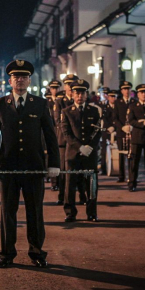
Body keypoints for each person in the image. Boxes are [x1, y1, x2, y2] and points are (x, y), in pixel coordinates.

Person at [0, 59, 59, 269]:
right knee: (8, 212)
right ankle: (6, 253)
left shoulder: (40, 104)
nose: (20, 80)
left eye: (24, 77)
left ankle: (37, 252)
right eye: (16, 77)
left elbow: (50, 136)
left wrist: (53, 163)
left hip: (34, 166)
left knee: (35, 211)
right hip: (8, 166)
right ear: (10, 80)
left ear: (29, 80)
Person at [61, 79, 101, 222]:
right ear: (72, 94)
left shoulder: (94, 110)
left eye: (82, 93)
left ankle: (91, 213)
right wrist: (80, 147)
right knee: (70, 184)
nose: (79, 96)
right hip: (73, 154)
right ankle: (70, 213)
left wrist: (89, 147)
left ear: (86, 95)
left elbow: (97, 131)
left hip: (89, 153)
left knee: (91, 184)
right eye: (77, 93)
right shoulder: (66, 111)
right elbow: (67, 134)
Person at [54, 74, 79, 205]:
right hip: (64, 141)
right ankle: (62, 196)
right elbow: (58, 121)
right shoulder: (59, 101)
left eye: (72, 84)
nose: (69, 87)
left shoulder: (79, 100)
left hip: (78, 141)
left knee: (79, 170)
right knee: (64, 171)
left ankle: (82, 195)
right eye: (68, 84)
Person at [127, 84, 145, 192]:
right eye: (142, 92)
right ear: (138, 94)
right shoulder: (133, 106)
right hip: (137, 138)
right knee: (134, 162)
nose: (144, 94)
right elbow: (131, 121)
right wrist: (143, 124)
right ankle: (132, 183)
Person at [113, 81, 136, 183]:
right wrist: (122, 127)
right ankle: (121, 175)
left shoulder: (134, 102)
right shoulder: (117, 102)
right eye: (125, 89)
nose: (127, 91)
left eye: (128, 89)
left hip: (132, 132)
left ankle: (132, 176)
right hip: (121, 132)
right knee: (122, 155)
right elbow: (115, 118)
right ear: (122, 91)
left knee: (132, 155)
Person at [47, 79, 61, 191]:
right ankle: (53, 182)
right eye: (53, 88)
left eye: (56, 88)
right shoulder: (46, 101)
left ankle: (60, 181)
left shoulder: (62, 100)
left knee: (60, 157)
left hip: (59, 131)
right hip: (50, 130)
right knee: (50, 156)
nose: (55, 90)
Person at [101, 89, 118, 175]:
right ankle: (104, 169)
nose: (113, 98)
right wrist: (109, 127)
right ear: (108, 97)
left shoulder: (118, 106)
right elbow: (104, 118)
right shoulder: (104, 107)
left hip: (116, 129)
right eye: (111, 96)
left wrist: (114, 127)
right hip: (106, 130)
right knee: (104, 149)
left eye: (114, 96)